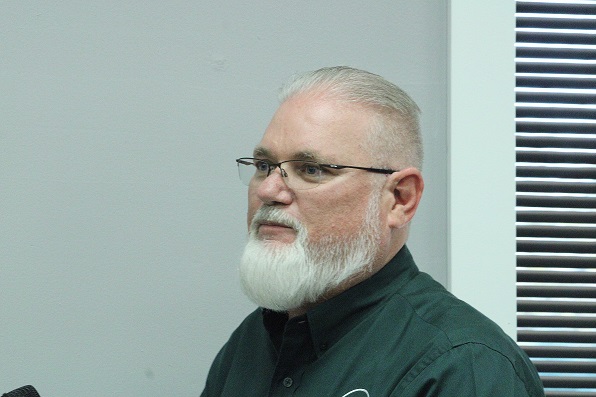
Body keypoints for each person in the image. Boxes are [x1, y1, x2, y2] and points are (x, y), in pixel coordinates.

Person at [201, 66, 544, 396]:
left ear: (399, 199)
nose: (268, 190)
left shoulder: (464, 364)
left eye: (311, 169)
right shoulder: (253, 341)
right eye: (263, 166)